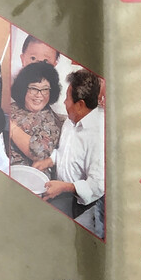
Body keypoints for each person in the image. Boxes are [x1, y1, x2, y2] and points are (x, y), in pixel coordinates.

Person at [43, 69, 105, 237]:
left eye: (67, 98)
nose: (64, 102)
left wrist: (65, 187)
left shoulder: (98, 135)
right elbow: (65, 153)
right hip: (64, 194)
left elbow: (97, 185)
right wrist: (49, 160)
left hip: (87, 205)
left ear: (80, 104)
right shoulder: (71, 121)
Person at [8, 60, 63, 177]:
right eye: (33, 88)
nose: (39, 95)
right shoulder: (12, 107)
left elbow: (39, 153)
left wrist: (12, 129)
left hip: (24, 176)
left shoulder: (51, 121)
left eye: (45, 89)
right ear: (23, 89)